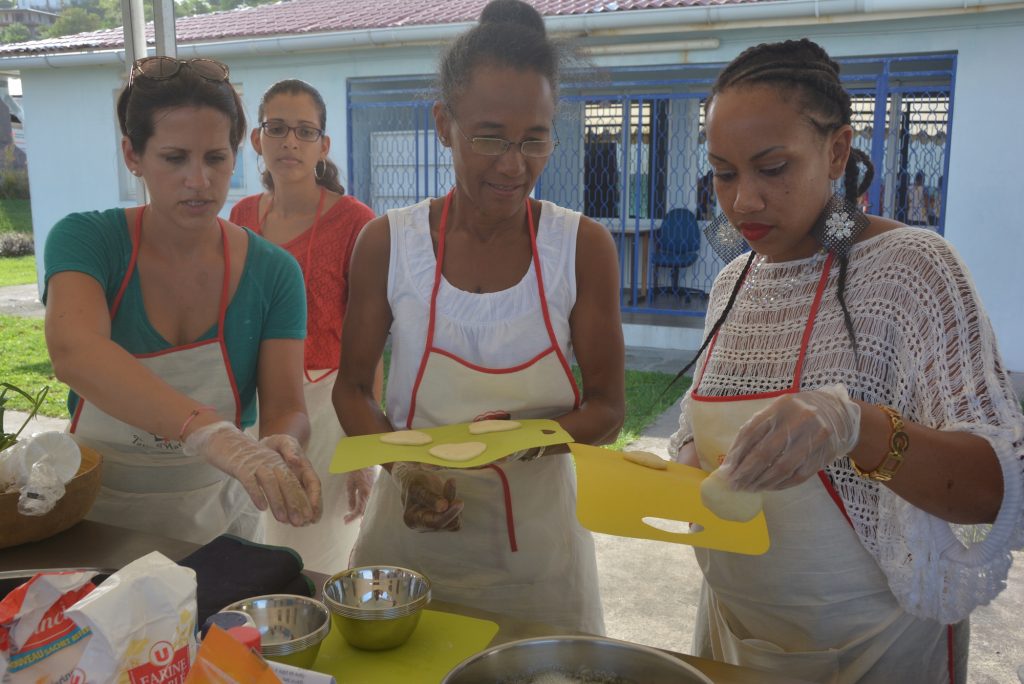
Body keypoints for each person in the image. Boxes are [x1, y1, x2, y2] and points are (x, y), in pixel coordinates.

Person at [668, 39, 1023, 683]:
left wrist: (859, 426)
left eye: (771, 168)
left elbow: (998, 489)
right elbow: (702, 449)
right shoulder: (733, 283)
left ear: (836, 152)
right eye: (723, 172)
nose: (742, 201)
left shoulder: (912, 269)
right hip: (735, 638)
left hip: (876, 651)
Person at [332, 0, 625, 634]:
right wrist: (403, 468)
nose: (513, 165)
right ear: (445, 123)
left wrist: (528, 439)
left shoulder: (582, 248)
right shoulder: (390, 244)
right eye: (489, 136)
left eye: (535, 139)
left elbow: (608, 408)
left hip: (541, 563)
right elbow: (351, 387)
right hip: (410, 551)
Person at [43, 57, 322, 546]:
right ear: (133, 155)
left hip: (218, 527)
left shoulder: (274, 271)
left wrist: (283, 443)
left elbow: (285, 406)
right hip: (94, 524)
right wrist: (208, 432)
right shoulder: (87, 241)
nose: (199, 180)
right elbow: (74, 351)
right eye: (175, 158)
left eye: (216, 158)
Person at [229, 79, 379, 574]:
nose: (289, 142)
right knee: (254, 545)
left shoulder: (357, 223)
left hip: (330, 407)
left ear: (323, 145)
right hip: (257, 403)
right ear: (257, 139)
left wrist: (364, 452)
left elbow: (370, 344)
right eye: (277, 128)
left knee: (317, 557)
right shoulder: (241, 216)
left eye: (304, 131)